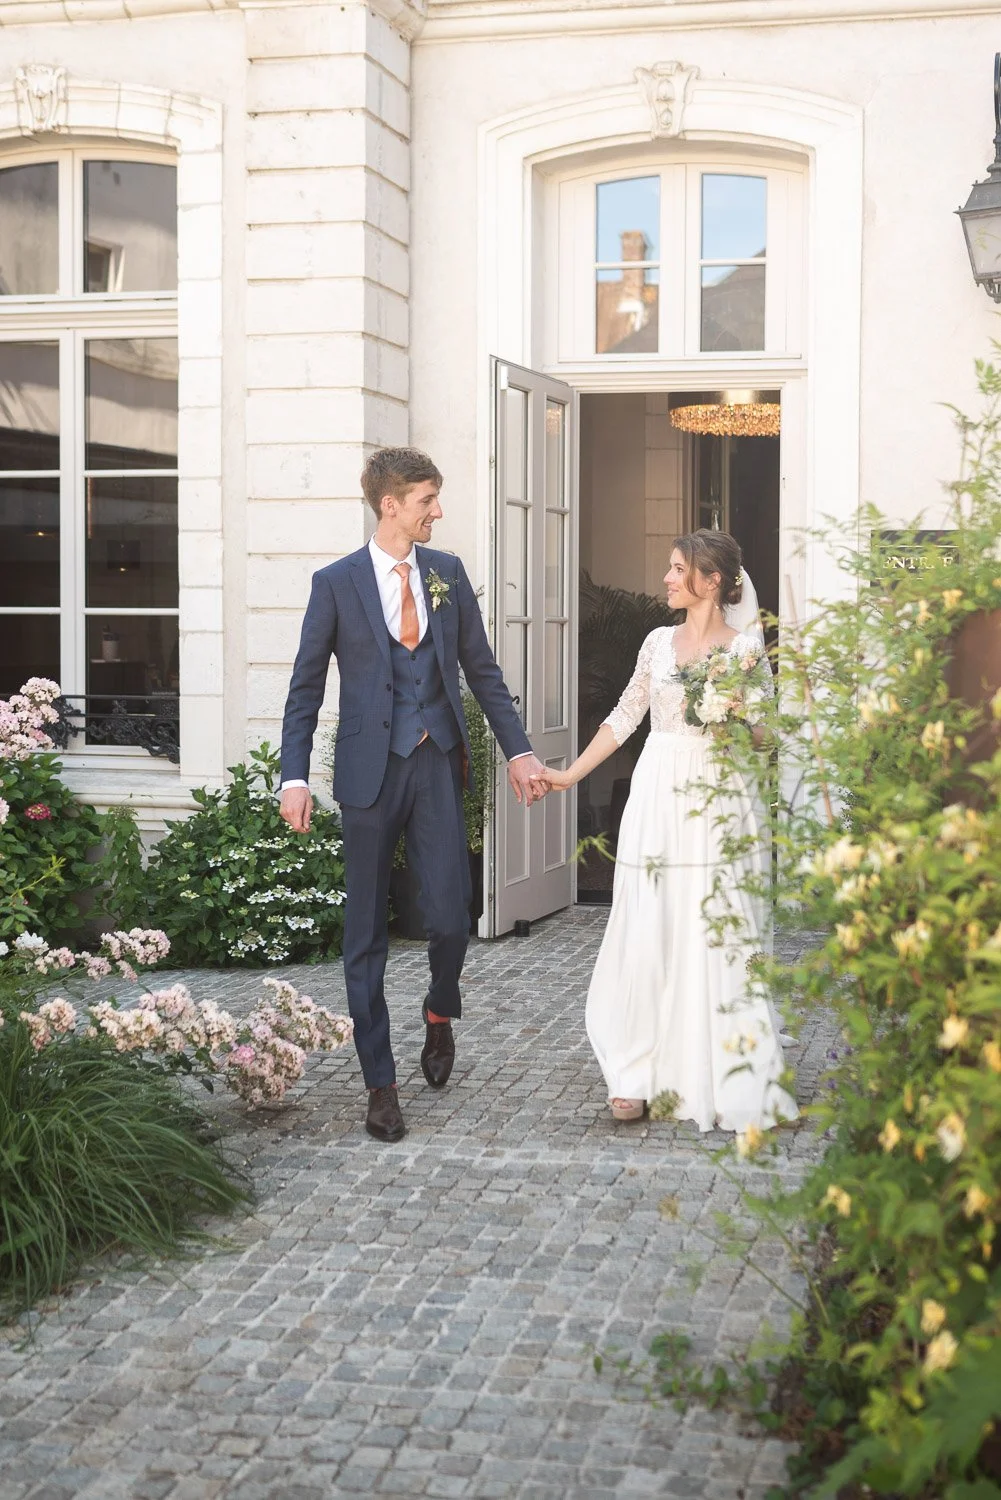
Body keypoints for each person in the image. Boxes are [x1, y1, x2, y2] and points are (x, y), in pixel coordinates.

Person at [279, 448, 549, 1143]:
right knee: (365, 931)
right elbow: (305, 687)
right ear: (390, 504)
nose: (438, 511)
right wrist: (294, 776)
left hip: (435, 760)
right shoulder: (335, 583)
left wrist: (519, 751)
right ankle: (380, 1083)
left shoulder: (446, 574)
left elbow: (482, 672)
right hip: (369, 773)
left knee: (452, 915)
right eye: (428, 500)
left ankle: (438, 1010)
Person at [534, 530, 797, 1134]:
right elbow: (625, 716)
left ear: (712, 581)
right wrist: (569, 774)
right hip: (658, 792)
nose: (667, 579)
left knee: (716, 923)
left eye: (679, 570)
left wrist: (736, 715)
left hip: (721, 797)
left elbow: (769, 736)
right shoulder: (656, 643)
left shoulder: (745, 650)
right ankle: (636, 1070)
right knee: (650, 919)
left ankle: (728, 1069)